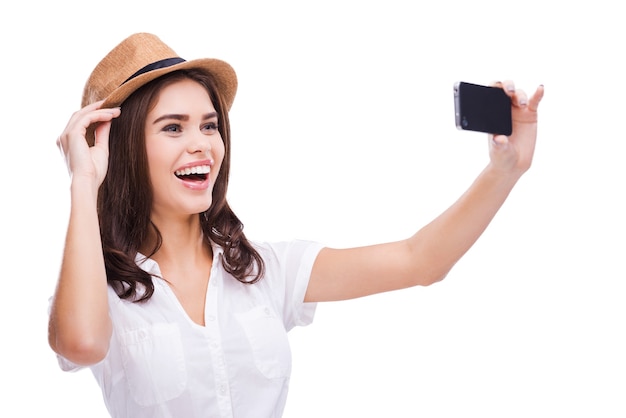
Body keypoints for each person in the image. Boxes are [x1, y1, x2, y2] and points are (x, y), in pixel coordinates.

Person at [48, 32, 544, 418]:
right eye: (173, 127)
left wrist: (506, 169)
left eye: (210, 124)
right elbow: (82, 343)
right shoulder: (97, 286)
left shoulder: (264, 270)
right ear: (122, 146)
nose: (202, 143)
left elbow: (421, 261)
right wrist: (85, 182)